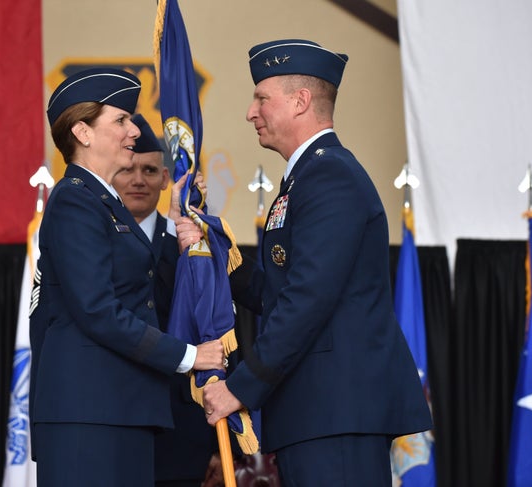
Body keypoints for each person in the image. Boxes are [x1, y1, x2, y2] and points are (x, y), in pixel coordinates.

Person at [201, 39, 433, 486]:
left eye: (261, 98)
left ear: (301, 100)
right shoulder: (307, 177)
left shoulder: (329, 176)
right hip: (316, 412)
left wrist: (239, 388)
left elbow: (307, 299)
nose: (251, 112)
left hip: (336, 412)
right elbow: (277, 291)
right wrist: (212, 252)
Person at [29, 68, 224, 486]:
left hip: (117, 409)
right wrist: (190, 356)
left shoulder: (102, 200)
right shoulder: (75, 202)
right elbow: (98, 310)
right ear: (82, 131)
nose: (134, 130)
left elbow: (138, 282)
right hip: (89, 414)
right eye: (121, 120)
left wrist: (175, 221)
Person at [112, 114, 218, 487]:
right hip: (114, 427)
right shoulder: (94, 241)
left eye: (150, 170)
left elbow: (216, 330)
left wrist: (225, 447)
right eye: (129, 169)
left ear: (165, 180)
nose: (139, 180)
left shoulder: (190, 242)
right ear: (112, 175)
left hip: (181, 435)